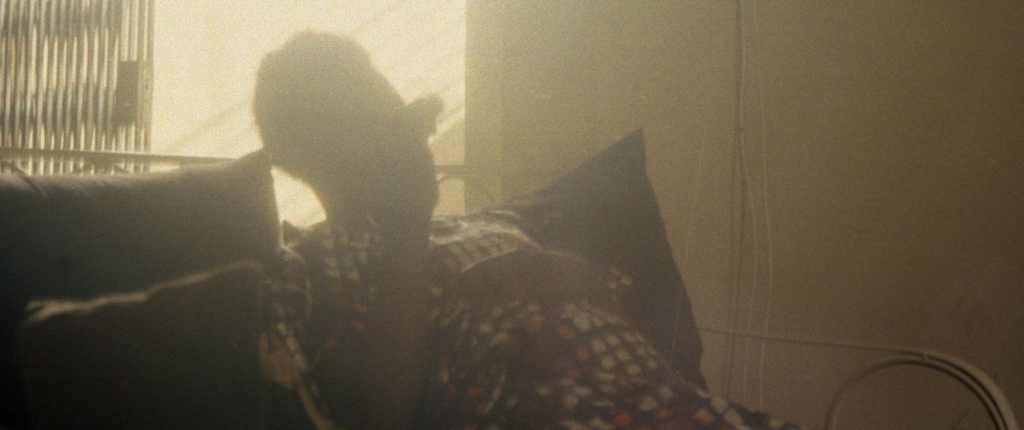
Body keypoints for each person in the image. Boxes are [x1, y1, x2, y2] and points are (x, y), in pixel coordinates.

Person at [254, 31, 805, 430]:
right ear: (301, 158)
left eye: (392, 109)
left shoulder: (491, 225)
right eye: (362, 120)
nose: (399, 135)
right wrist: (408, 227)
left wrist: (561, 278)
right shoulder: (308, 267)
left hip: (664, 402)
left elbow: (611, 303)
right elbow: (370, 418)